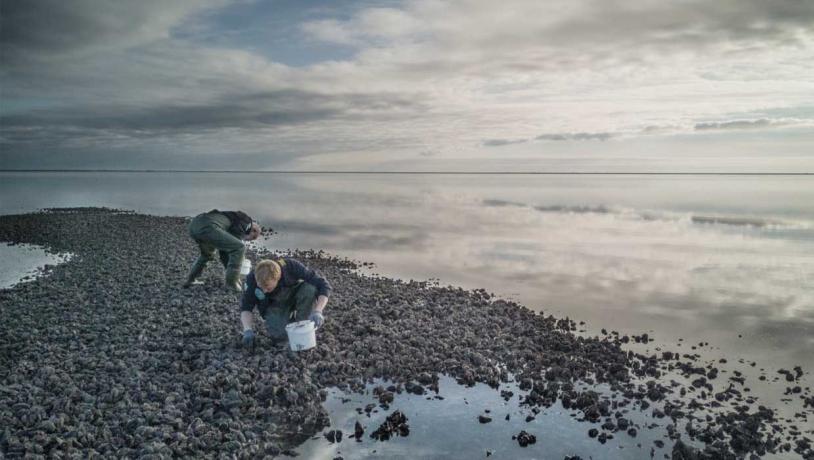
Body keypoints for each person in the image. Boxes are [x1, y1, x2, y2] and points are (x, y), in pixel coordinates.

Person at [240, 257, 331, 347]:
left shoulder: (291, 266)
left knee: (310, 289)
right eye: (261, 287)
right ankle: (287, 322)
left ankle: (304, 325)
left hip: (295, 295)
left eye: (268, 288)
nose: (264, 291)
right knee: (280, 337)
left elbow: (324, 285)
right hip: (274, 305)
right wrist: (247, 330)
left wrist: (318, 311)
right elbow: (246, 307)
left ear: (278, 278)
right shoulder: (252, 279)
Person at [184, 209, 261, 291]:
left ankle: (191, 280)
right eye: (252, 238)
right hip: (209, 227)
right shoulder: (247, 223)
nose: (248, 240)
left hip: (194, 226)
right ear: (253, 230)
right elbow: (236, 249)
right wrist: (236, 275)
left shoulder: (237, 219)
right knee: (240, 248)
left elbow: (224, 252)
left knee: (207, 255)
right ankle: (231, 284)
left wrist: (232, 272)